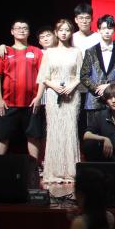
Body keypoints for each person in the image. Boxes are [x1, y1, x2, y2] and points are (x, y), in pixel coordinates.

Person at [37, 19, 83, 184]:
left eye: (67, 30)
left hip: (71, 94)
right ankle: (54, 172)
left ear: (71, 33)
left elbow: (81, 75)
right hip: (53, 95)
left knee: (70, 131)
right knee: (54, 131)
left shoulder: (76, 52)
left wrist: (71, 86)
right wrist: (54, 86)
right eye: (61, 30)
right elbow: (43, 77)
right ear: (56, 33)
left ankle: (70, 172)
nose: (64, 33)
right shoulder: (49, 52)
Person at [0, 19, 44, 160]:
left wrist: (39, 97)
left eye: (25, 28)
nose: (21, 30)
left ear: (29, 32)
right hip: (8, 103)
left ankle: (33, 168)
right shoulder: (5, 51)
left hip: (31, 103)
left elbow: (43, 76)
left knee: (33, 136)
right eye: (18, 28)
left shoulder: (36, 51)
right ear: (12, 31)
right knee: (3, 136)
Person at [80, 14, 115, 131]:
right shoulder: (90, 51)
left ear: (114, 30)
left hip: (114, 100)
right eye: (103, 28)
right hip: (94, 100)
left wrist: (108, 87)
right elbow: (84, 75)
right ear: (98, 30)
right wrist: (98, 89)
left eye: (110, 28)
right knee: (93, 134)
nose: (107, 31)